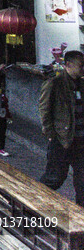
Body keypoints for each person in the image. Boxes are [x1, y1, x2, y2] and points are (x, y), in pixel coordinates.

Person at [39, 50, 84, 204]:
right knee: (55, 178)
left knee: (82, 180)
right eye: (80, 65)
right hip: (61, 139)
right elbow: (44, 109)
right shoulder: (55, 83)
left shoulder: (82, 84)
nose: (82, 68)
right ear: (68, 65)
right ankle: (34, 204)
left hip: (80, 140)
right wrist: (50, 133)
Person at [0, 88, 11, 157]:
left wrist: (8, 115)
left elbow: (5, 105)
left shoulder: (3, 96)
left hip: (2, 113)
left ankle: (1, 148)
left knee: (2, 130)